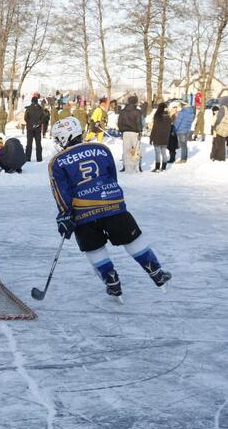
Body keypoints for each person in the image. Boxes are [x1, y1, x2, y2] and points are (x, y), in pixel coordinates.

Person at [48, 117, 171, 300]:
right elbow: (112, 176)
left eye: (58, 138)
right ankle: (155, 270)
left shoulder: (57, 162)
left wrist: (65, 215)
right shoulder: (101, 149)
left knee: (94, 248)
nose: (57, 143)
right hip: (113, 206)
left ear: (65, 136)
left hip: (83, 214)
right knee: (132, 239)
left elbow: (61, 192)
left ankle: (111, 280)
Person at [117, 95, 143, 173]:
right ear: (135, 102)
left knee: (126, 150)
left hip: (125, 132)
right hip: (135, 132)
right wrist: (140, 131)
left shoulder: (123, 111)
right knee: (136, 149)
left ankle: (125, 166)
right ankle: (137, 167)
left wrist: (121, 131)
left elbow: (119, 122)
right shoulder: (137, 111)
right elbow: (139, 122)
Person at [149, 102, 171, 172]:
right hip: (165, 138)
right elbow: (169, 129)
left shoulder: (157, 117)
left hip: (157, 137)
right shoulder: (168, 118)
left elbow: (154, 128)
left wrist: (151, 138)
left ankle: (157, 168)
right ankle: (164, 168)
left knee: (158, 153)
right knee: (164, 153)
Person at [24, 95, 44, 162]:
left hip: (30, 128)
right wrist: (38, 124)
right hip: (37, 129)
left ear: (31, 101)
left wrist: (31, 123)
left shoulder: (28, 108)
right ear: (37, 101)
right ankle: (39, 159)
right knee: (38, 144)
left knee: (29, 144)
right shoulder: (41, 109)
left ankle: (27, 158)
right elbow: (43, 118)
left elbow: (26, 118)